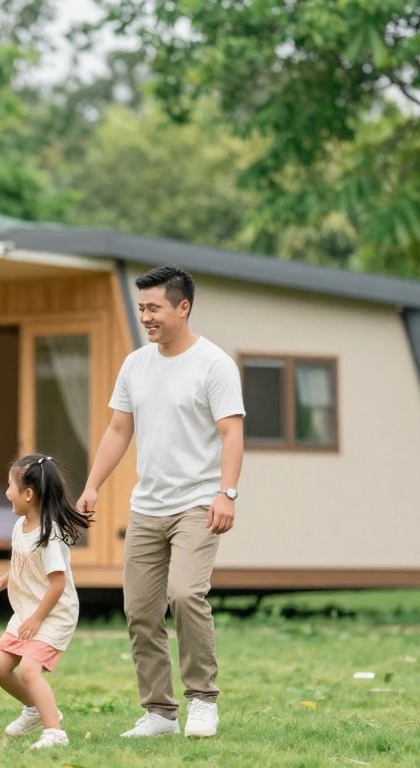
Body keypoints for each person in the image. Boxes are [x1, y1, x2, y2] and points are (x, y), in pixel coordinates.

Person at [78, 265, 245, 740]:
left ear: (183, 307)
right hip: (147, 506)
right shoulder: (135, 364)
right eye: (141, 308)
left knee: (186, 594)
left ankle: (202, 701)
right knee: (140, 610)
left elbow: (231, 433)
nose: (145, 317)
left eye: (154, 308)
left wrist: (226, 492)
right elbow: (118, 430)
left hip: (198, 501)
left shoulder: (214, 364)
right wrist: (92, 486)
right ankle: (159, 713)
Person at [0, 454, 91, 750]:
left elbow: (57, 584)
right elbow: (22, 563)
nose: (6, 492)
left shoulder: (49, 535)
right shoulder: (21, 526)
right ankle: (37, 709)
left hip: (53, 613)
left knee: (29, 670)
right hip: (28, 611)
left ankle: (55, 733)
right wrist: (2, 581)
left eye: (10, 486)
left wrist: (37, 619)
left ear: (28, 494)